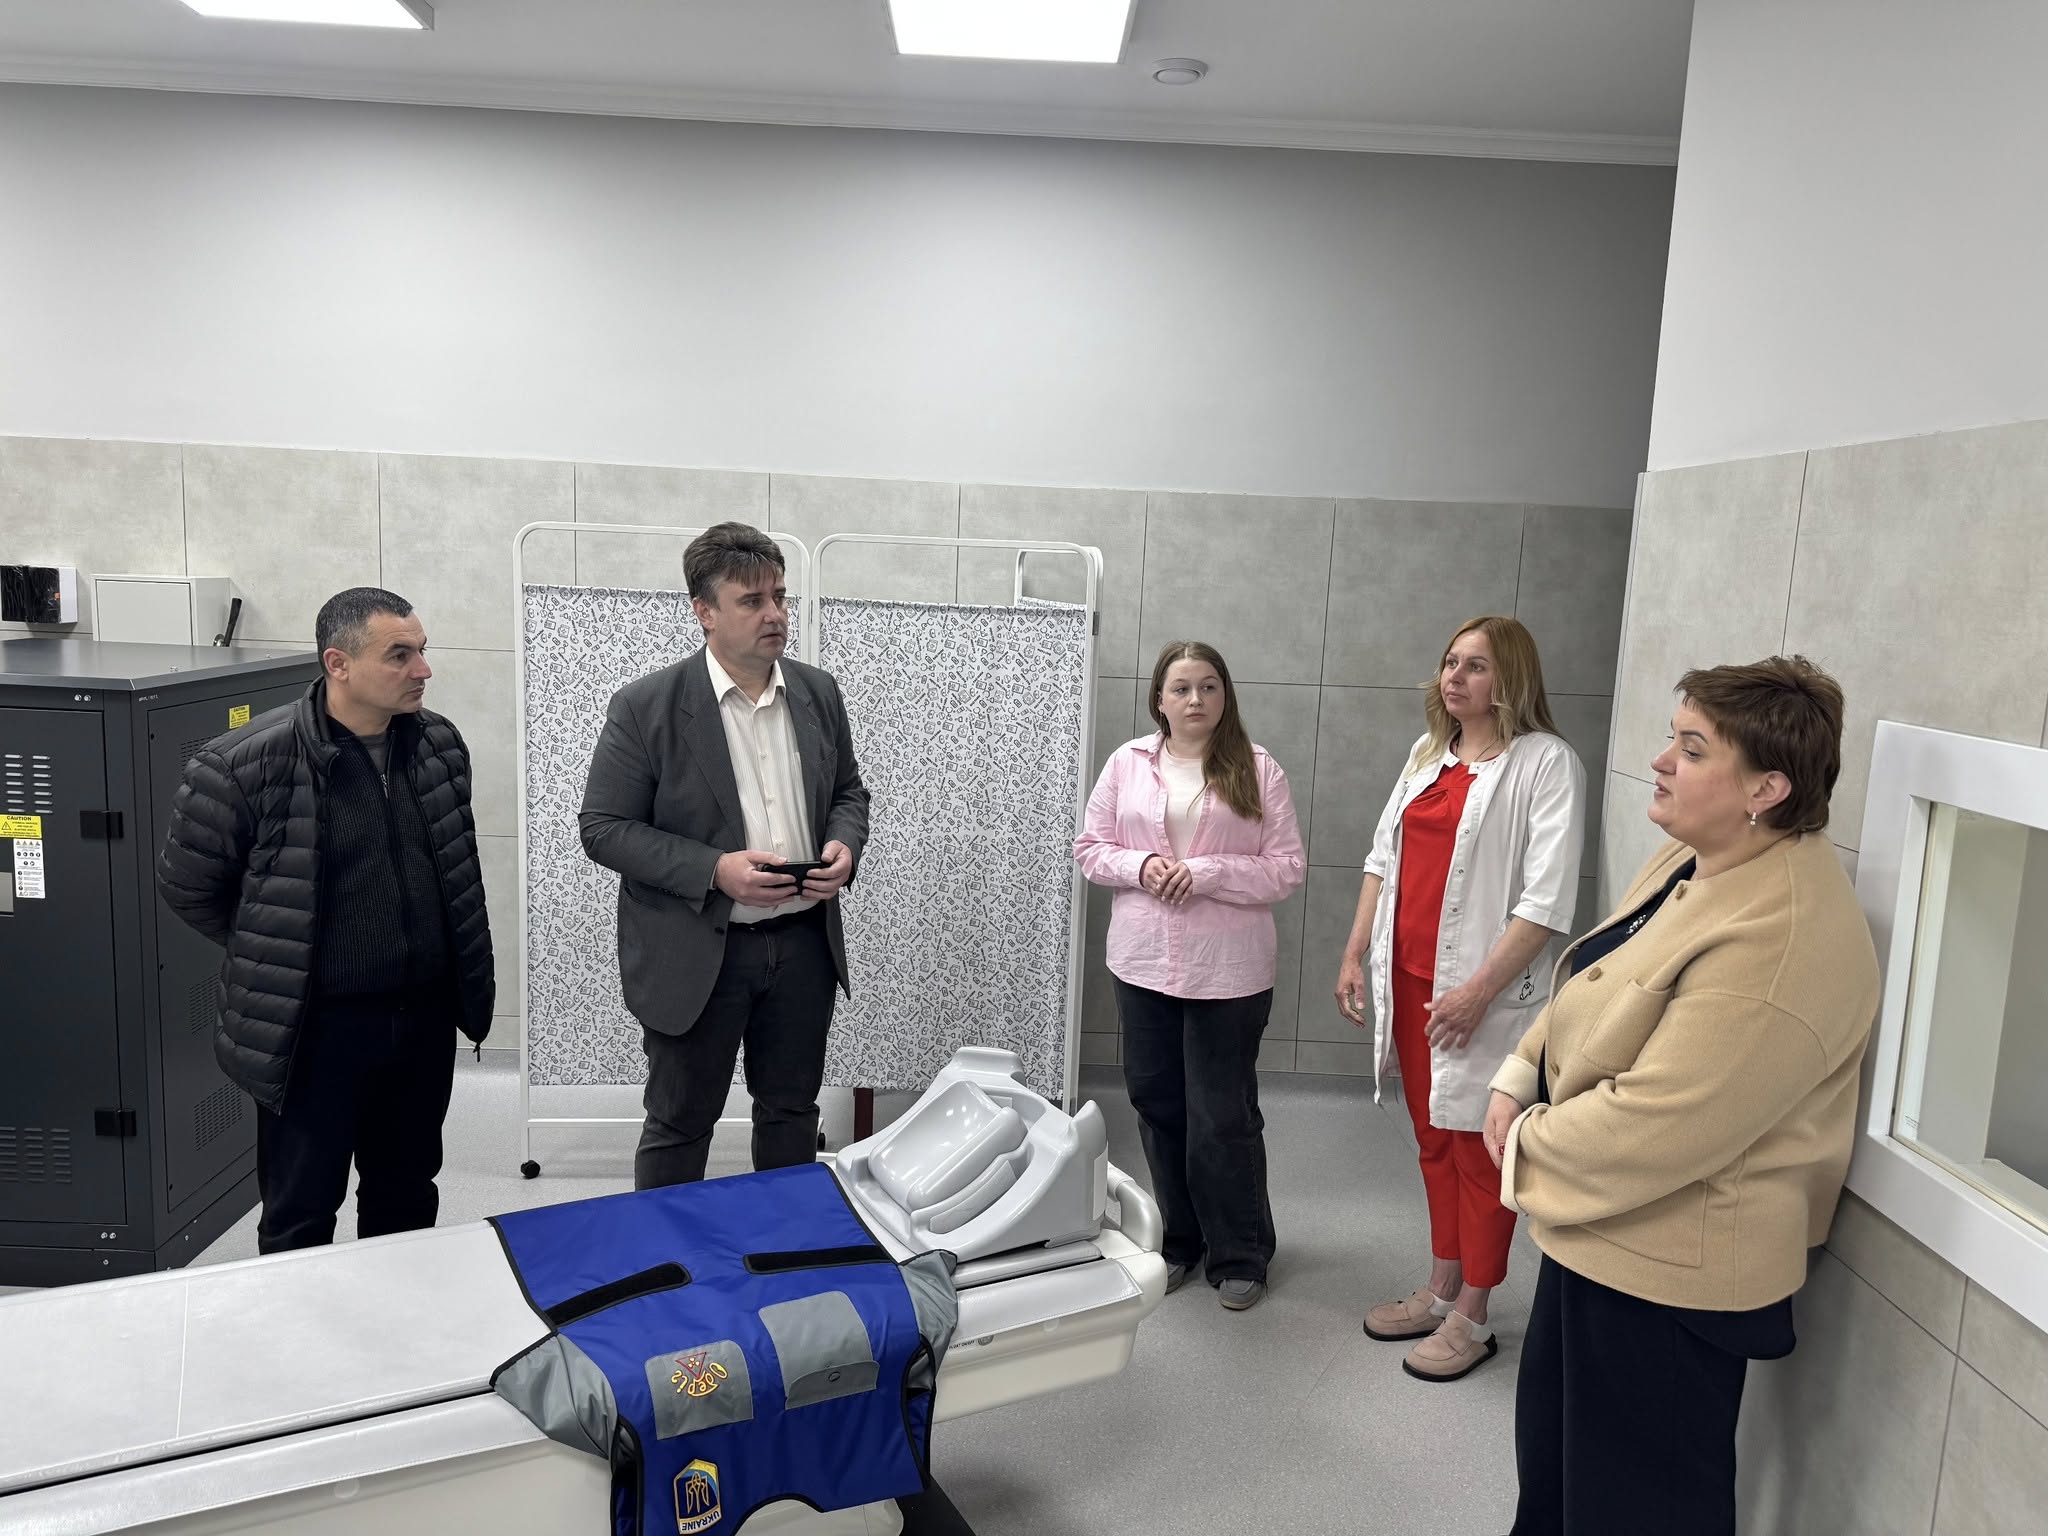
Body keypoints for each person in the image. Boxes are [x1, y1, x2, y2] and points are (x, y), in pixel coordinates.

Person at [1483, 657, 1879, 1536]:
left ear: (1766, 789)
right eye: (1673, 739)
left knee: (1635, 1510)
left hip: (1669, 1277)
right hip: (1601, 1236)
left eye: (1693, 749)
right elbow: (1596, 975)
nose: (1661, 762)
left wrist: (1523, 1144)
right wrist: (1518, 1074)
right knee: (1555, 1489)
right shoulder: (1695, 858)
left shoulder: (1779, 938)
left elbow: (1658, 1125)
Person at [157, 587, 495, 1252]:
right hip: (314, 1030)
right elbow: (189, 887)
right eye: (399, 655)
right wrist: (280, 946)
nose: (423, 669)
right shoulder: (242, 764)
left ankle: (391, 1315)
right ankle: (301, 1324)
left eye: (422, 651)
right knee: (301, 1211)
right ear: (337, 663)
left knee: (407, 1193)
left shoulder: (439, 745)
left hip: (422, 1020)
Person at [579, 521, 869, 1189]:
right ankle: (667, 1248)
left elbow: (849, 792)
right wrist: (715, 870)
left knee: (791, 1112)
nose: (775, 615)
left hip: (803, 945)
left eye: (780, 597)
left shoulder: (818, 693)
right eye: (752, 601)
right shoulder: (647, 706)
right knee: (681, 1122)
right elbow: (604, 828)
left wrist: (843, 846)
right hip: (697, 948)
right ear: (704, 612)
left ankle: (784, 1240)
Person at [1335, 614, 1585, 1381]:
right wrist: (1354, 952)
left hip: (1484, 995)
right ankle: (1442, 1284)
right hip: (1410, 983)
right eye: (1450, 662)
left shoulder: (1546, 764)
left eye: (1475, 665)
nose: (1455, 676)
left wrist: (1479, 993)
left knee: (1481, 1150)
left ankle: (1474, 1315)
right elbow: (1382, 859)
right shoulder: (1427, 755)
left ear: (1510, 676)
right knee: (1433, 1138)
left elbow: (1547, 901)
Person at [1075, 640, 1305, 1312]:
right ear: (1160, 699)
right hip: (1142, 964)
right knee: (1158, 1106)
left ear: (1225, 695)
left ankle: (1241, 1253)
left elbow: (1286, 869)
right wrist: (1142, 866)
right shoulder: (1127, 763)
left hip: (1227, 972)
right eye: (1181, 688)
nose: (1195, 699)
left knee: (1221, 1116)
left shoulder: (1258, 769)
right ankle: (1179, 1241)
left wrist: (1206, 874)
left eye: (1208, 686)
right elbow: (1091, 849)